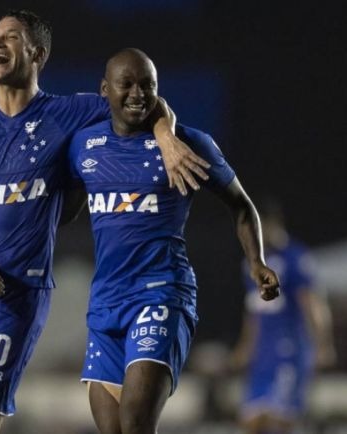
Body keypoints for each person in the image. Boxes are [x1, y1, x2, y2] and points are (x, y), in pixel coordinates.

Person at [0, 10, 211, 434]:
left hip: (17, 295)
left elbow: (140, 98)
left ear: (38, 54)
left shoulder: (71, 113)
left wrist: (165, 137)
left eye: (11, 37)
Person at [67, 48, 281, 434]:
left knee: (136, 421)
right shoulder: (84, 146)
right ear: (104, 90)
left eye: (147, 84)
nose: (137, 93)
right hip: (105, 304)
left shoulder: (188, 143)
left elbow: (241, 205)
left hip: (161, 293)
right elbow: (62, 207)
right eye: (126, 84)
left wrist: (256, 261)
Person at [230, 198, 335, 434]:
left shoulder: (295, 257)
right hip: (263, 355)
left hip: (289, 350)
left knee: (279, 420)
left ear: (271, 224)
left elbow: (312, 303)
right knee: (251, 421)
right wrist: (246, 347)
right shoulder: (252, 264)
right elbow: (254, 310)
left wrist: (322, 344)